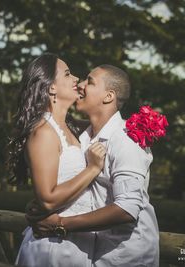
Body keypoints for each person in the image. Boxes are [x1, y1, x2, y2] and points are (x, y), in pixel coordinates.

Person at [30, 65, 160, 267]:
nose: (80, 85)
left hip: (127, 256)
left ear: (108, 97)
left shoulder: (126, 139)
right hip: (94, 252)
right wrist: (46, 202)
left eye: (89, 82)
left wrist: (60, 225)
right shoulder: (84, 137)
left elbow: (127, 209)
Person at [8, 53, 106, 267]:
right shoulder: (43, 132)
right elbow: (48, 199)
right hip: (53, 248)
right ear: (51, 87)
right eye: (68, 74)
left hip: (75, 243)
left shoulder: (72, 127)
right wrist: (93, 168)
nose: (76, 79)